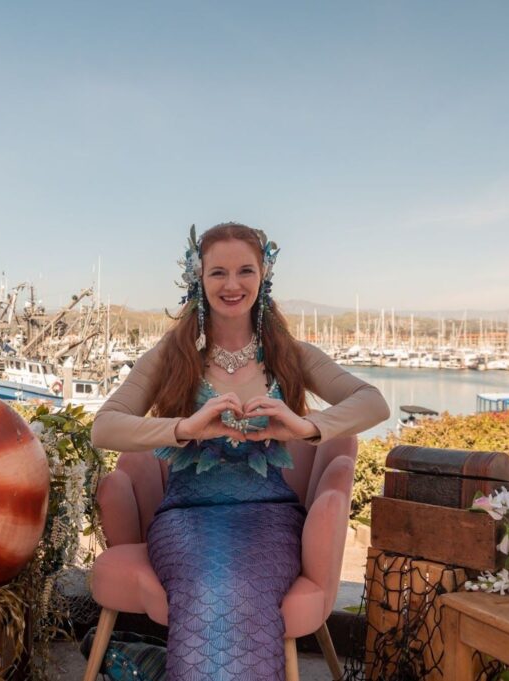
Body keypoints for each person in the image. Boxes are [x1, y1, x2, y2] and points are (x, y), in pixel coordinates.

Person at [91, 222, 389, 680]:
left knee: (241, 585)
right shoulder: (171, 355)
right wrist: (183, 428)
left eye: (245, 270)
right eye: (218, 273)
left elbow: (374, 402)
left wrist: (305, 426)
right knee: (209, 584)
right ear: (199, 278)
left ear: (263, 274)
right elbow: (104, 428)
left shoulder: (291, 353)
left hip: (270, 518)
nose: (232, 285)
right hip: (185, 518)